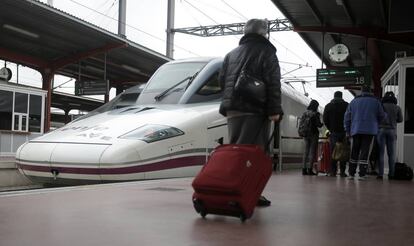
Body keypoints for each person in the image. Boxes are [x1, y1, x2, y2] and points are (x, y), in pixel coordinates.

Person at [219, 19, 283, 207]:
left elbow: (223, 82)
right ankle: (249, 193)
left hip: (233, 111)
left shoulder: (231, 54)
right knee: (254, 154)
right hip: (255, 110)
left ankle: (232, 188)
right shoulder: (267, 52)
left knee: (235, 151)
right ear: (264, 34)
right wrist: (274, 110)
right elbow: (273, 83)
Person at [344, 86, 386, 180]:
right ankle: (362, 174)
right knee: (365, 151)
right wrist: (377, 122)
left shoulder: (353, 102)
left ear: (361, 92)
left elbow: (347, 117)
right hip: (370, 130)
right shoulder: (376, 101)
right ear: (370, 92)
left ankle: (351, 173)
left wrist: (347, 130)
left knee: (354, 151)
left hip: (355, 130)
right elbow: (383, 116)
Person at [377, 91, 403, 179]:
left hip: (381, 130)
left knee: (381, 153)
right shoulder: (397, 107)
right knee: (391, 154)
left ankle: (380, 174)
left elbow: (377, 117)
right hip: (392, 130)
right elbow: (401, 119)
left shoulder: (381, 106)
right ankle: (391, 174)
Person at [323, 91, 349, 177]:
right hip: (343, 132)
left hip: (333, 132)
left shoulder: (328, 106)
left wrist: (330, 128)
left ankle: (333, 171)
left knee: (333, 152)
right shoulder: (346, 105)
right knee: (343, 151)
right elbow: (350, 117)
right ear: (341, 96)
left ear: (334, 96)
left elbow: (325, 119)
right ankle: (342, 171)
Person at [301, 99, 323, 175]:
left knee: (306, 152)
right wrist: (321, 124)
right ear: (316, 106)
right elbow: (318, 125)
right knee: (312, 152)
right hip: (313, 134)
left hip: (306, 134)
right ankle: (310, 169)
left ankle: (303, 169)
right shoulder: (316, 114)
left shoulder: (305, 113)